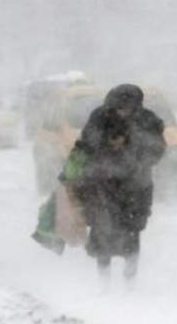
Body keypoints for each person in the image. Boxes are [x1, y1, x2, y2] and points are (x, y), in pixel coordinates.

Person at [69, 84, 166, 281]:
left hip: (136, 188)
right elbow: (85, 145)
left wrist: (132, 152)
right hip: (102, 185)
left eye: (127, 107)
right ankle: (104, 283)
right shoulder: (100, 117)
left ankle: (129, 281)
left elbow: (157, 149)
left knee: (132, 233)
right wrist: (72, 172)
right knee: (102, 231)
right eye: (118, 107)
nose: (123, 111)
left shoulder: (148, 120)